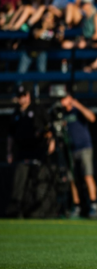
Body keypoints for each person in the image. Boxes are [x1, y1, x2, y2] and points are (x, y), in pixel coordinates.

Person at [6, 85, 54, 218]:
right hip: (22, 153)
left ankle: (38, 210)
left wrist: (51, 142)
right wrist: (9, 152)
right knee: (19, 183)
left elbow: (49, 128)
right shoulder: (16, 113)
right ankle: (17, 210)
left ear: (28, 96)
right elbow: (11, 135)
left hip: (38, 153)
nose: (22, 99)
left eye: (24, 96)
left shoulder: (38, 109)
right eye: (19, 96)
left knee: (38, 182)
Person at [59, 95, 97, 219]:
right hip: (70, 150)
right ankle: (76, 206)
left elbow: (92, 118)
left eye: (64, 98)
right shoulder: (62, 114)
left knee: (88, 176)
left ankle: (93, 205)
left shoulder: (77, 110)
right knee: (73, 179)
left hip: (84, 148)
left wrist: (78, 105)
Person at [18, 11, 64, 77]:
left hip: (41, 52)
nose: (48, 18)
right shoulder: (37, 24)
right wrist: (44, 28)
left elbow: (59, 39)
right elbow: (36, 35)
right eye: (47, 16)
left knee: (42, 73)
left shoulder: (53, 28)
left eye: (50, 17)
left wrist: (61, 32)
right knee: (20, 73)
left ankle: (38, 86)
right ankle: (18, 86)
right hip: (29, 51)